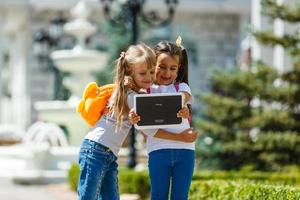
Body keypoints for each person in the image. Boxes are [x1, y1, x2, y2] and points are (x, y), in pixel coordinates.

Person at [77, 43, 197, 200]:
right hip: (96, 149)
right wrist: (180, 134)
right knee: (88, 197)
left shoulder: (131, 92)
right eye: (143, 73)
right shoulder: (131, 95)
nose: (148, 77)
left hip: (108, 153)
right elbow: (149, 126)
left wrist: (182, 107)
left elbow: (181, 98)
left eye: (151, 72)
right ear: (129, 71)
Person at [129, 38, 196, 200]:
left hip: (185, 152)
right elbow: (144, 127)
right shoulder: (146, 91)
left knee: (180, 196)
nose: (167, 73)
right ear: (153, 65)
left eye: (173, 68)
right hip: (158, 151)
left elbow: (184, 98)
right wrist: (134, 117)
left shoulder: (182, 88)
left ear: (179, 69)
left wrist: (184, 109)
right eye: (162, 67)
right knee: (158, 195)